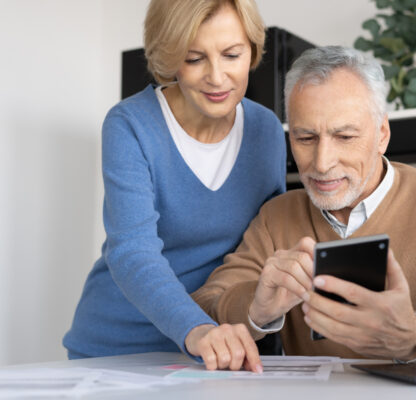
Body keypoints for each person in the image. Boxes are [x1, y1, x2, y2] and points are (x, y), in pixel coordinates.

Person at [189, 46, 416, 362]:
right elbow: (203, 306)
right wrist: (257, 307)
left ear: (381, 134)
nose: (322, 164)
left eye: (345, 137)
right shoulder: (277, 217)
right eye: (306, 138)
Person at [63, 0, 286, 373]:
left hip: (219, 349)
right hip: (121, 348)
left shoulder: (266, 131)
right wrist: (196, 328)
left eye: (232, 55)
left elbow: (266, 245)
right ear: (169, 58)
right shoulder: (130, 124)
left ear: (252, 50)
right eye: (194, 58)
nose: (217, 77)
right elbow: (133, 250)